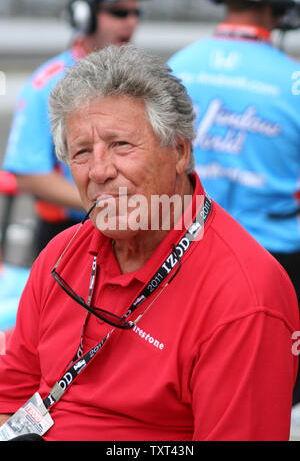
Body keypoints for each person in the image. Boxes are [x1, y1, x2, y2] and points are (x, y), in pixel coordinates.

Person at [0, 44, 298, 441]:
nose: (100, 171)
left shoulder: (244, 298)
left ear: (179, 151)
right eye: (81, 153)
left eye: (121, 145)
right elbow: (10, 396)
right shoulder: (61, 253)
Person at [168, 0, 300, 407]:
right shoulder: (293, 79)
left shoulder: (178, 65)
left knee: (185, 373)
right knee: (271, 392)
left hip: (186, 246)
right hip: (277, 258)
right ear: (277, 9)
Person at [2, 0, 152, 258]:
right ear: (84, 17)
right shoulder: (46, 84)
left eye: (135, 13)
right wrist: (106, 203)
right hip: (67, 233)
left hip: (131, 230)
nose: (131, 22)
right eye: (119, 13)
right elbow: (28, 173)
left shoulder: (141, 81)